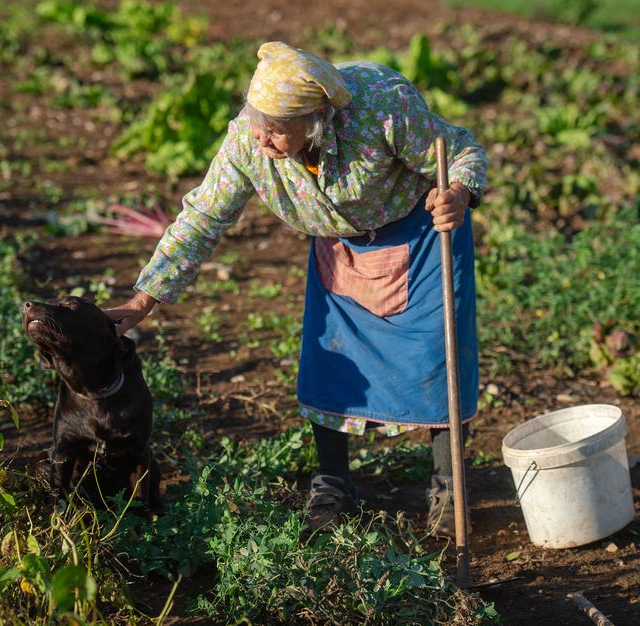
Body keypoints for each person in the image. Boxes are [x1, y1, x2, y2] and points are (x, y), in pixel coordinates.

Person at [105, 41, 487, 536]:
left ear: (317, 120)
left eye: (276, 129)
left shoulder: (383, 107)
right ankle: (333, 487)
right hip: (340, 244)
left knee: (435, 357)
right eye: (256, 122)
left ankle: (448, 486)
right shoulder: (248, 140)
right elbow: (203, 216)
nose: (261, 138)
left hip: (422, 233)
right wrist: (144, 299)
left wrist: (457, 193)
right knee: (330, 359)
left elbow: (460, 150)